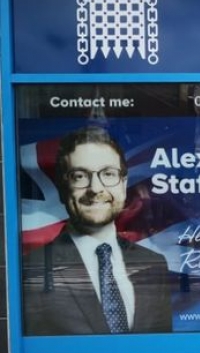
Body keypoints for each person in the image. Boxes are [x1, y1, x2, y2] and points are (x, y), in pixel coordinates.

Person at [22, 125, 174, 335]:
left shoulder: (154, 265)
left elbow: (161, 347)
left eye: (108, 174)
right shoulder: (34, 267)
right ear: (62, 188)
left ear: (123, 184)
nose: (95, 188)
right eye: (79, 176)